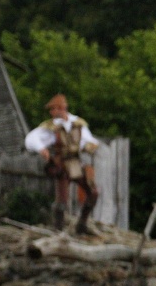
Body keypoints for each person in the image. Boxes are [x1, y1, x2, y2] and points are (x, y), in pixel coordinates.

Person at [23, 93, 101, 233]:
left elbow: (89, 140)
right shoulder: (51, 127)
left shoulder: (78, 124)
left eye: (54, 109)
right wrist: (41, 149)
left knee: (93, 193)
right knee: (62, 201)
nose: (52, 112)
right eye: (51, 110)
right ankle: (57, 229)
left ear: (62, 108)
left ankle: (82, 224)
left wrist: (90, 146)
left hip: (77, 163)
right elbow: (31, 138)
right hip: (62, 165)